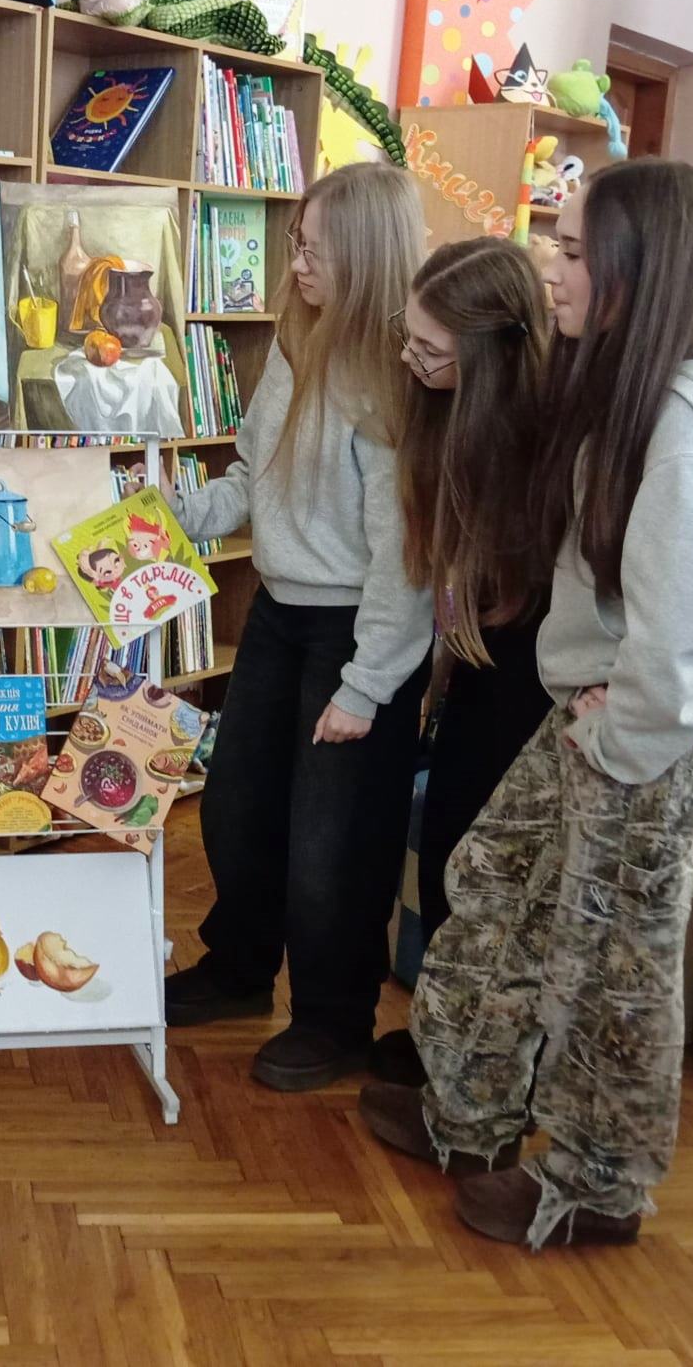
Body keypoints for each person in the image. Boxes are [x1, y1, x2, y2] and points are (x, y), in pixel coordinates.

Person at [359, 160, 693, 1248]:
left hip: (651, 727)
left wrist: (625, 731)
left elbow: (679, 618)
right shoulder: (638, 381)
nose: (551, 268)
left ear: (635, 266)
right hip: (603, 704)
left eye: (573, 250)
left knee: (613, 959)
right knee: (493, 881)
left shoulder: (683, 415)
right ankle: (467, 1112)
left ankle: (596, 1186)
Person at [163, 161, 435, 1092]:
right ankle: (241, 969)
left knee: (334, 844)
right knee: (236, 807)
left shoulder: (395, 381)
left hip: (360, 632)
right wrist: (177, 514)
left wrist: (367, 685)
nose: (297, 261)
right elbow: (255, 475)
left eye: (314, 248)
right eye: (296, 242)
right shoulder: (294, 339)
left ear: (365, 255)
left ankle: (334, 1017)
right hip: (282, 612)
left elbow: (407, 558)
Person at [369, 237, 557, 1087]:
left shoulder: (544, 439)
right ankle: (443, 1037)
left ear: (490, 353)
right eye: (406, 337)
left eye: (430, 349)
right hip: (476, 664)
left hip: (530, 674)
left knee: (494, 870)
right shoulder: (443, 409)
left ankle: (482, 1064)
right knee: (446, 846)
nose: (410, 361)